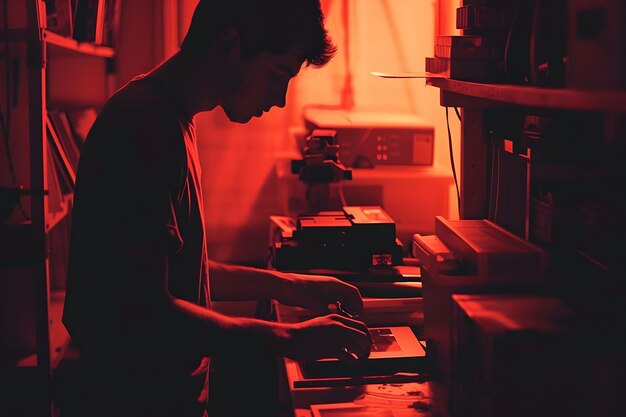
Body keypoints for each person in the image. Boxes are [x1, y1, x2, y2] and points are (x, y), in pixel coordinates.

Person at [62, 1, 371, 416]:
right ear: (230, 44)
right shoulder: (143, 127)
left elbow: (179, 275)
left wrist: (290, 286)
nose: (280, 99)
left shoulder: (172, 117)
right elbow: (148, 310)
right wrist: (292, 338)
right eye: (277, 75)